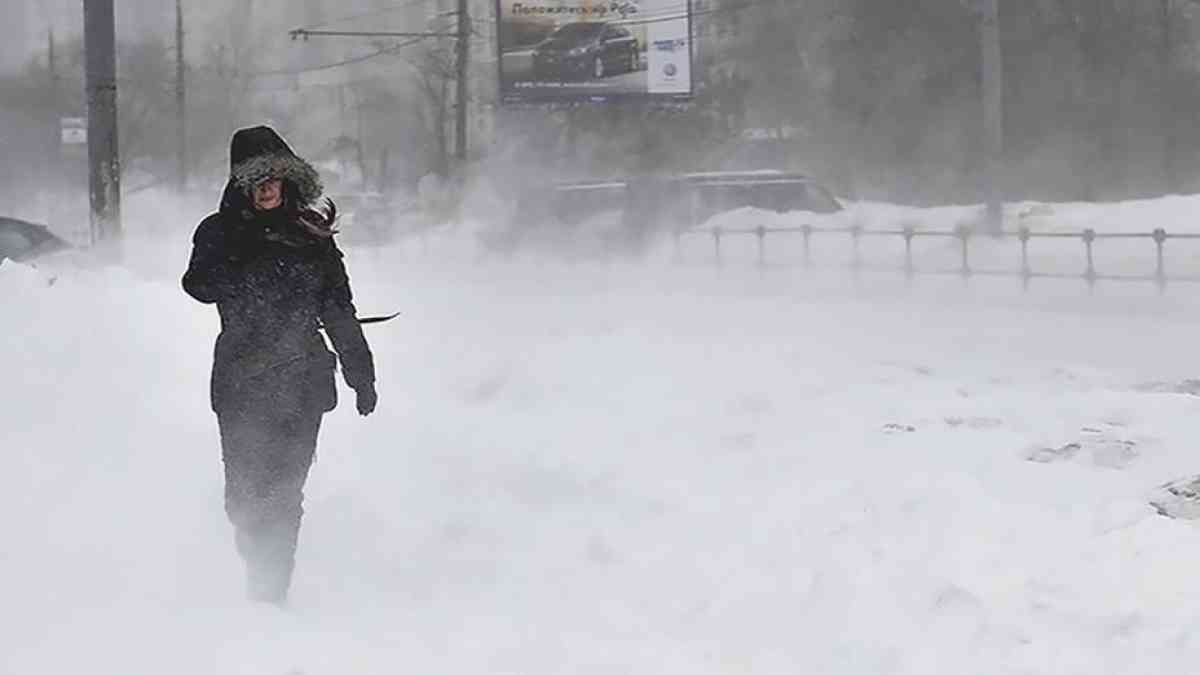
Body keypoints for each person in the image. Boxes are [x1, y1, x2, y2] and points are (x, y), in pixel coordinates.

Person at [182, 125, 378, 605]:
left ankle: (271, 592)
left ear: (290, 179)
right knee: (244, 500)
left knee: (284, 493)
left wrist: (360, 372)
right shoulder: (218, 232)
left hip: (302, 378)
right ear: (242, 185)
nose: (268, 188)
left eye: (275, 178)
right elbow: (198, 285)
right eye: (257, 180)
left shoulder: (311, 234)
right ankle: (258, 564)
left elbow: (338, 306)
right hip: (241, 379)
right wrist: (243, 253)